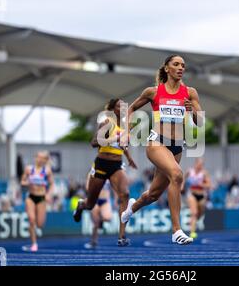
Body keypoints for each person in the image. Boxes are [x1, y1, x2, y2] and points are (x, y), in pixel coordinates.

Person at [121, 54, 203, 245]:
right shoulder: (153, 92)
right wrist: (125, 132)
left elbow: (199, 123)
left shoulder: (190, 92)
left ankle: (131, 208)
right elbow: (130, 109)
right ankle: (176, 231)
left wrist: (193, 111)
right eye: (176, 64)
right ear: (167, 68)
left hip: (177, 147)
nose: (181, 68)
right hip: (157, 143)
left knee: (154, 194)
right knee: (177, 175)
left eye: (183, 65)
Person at [73, 98, 137, 247]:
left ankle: (122, 236)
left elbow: (122, 145)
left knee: (125, 194)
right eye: (119, 106)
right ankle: (81, 205)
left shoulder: (126, 127)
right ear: (113, 109)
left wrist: (129, 158)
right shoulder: (108, 123)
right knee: (90, 203)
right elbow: (93, 142)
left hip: (116, 164)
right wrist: (110, 139)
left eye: (124, 106)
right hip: (102, 163)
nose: (122, 109)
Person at [20, 151, 55, 252]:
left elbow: (52, 184)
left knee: (40, 224)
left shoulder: (47, 171)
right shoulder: (29, 169)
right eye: (39, 157)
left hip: (41, 198)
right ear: (35, 157)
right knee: (31, 219)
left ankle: (33, 239)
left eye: (43, 158)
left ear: (45, 160)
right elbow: (22, 181)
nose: (40, 159)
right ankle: (34, 244)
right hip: (30, 197)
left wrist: (49, 194)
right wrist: (27, 183)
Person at [84, 173, 113, 249]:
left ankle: (100, 219)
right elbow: (87, 187)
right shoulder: (92, 173)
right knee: (95, 224)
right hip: (95, 200)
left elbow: (115, 186)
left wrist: (116, 198)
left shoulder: (110, 172)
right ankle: (93, 241)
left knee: (108, 218)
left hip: (105, 200)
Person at [184, 158, 211, 239]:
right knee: (194, 213)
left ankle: (194, 221)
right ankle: (192, 232)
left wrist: (201, 184)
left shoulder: (204, 173)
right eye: (199, 164)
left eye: (201, 165)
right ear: (196, 164)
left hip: (201, 195)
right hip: (192, 194)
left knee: (200, 213)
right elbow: (183, 179)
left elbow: (209, 185)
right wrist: (182, 186)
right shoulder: (190, 171)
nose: (200, 166)